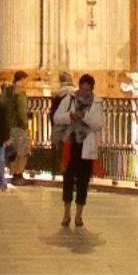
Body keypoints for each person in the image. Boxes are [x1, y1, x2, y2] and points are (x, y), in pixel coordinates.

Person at [48, 74, 100, 228]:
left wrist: (85, 117)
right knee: (68, 179)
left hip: (86, 145)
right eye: (82, 88)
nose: (84, 92)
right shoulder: (69, 99)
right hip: (71, 144)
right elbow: (57, 117)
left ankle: (79, 215)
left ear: (92, 89)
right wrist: (71, 116)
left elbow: (98, 124)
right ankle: (66, 213)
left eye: (87, 89)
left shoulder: (97, 103)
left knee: (83, 180)